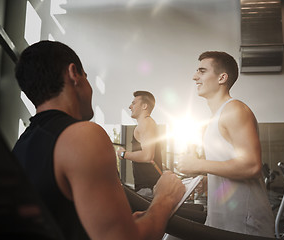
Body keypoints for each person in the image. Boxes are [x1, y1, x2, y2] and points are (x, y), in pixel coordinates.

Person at [12, 40, 185, 240]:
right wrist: (164, 199)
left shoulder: (23, 144)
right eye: (86, 76)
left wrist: (128, 223)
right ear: (73, 73)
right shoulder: (82, 136)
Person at [176, 51, 274, 237]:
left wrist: (197, 164)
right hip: (224, 219)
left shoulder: (235, 109)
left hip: (245, 223)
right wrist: (207, 180)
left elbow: (251, 166)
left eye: (202, 71)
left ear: (222, 77)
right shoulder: (216, 117)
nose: (194, 76)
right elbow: (230, 163)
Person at [117, 91, 163, 197]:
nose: (130, 107)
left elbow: (147, 156)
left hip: (148, 189)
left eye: (133, 103)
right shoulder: (148, 123)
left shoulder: (146, 123)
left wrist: (124, 154)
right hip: (148, 188)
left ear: (144, 106)